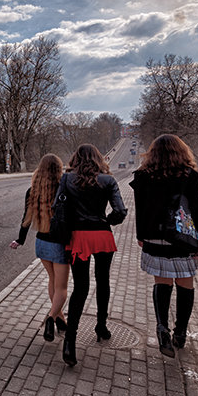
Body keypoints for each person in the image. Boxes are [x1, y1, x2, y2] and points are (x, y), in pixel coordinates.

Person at [129, 134, 198, 358]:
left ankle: (162, 329)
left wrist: (141, 236)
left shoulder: (143, 176)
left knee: (162, 283)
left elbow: (140, 209)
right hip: (182, 239)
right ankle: (181, 332)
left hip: (154, 238)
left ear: (152, 153)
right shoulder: (189, 175)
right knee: (186, 285)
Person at [60, 144, 127, 366]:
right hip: (101, 235)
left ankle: (70, 341)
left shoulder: (67, 179)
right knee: (103, 281)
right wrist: (107, 221)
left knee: (80, 287)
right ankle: (101, 325)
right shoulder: (108, 180)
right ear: (98, 158)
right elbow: (120, 211)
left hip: (79, 236)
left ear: (76, 158)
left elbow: (56, 206)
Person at [10, 154, 70, 342]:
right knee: (61, 288)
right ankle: (52, 319)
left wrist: (20, 240)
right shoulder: (64, 189)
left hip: (41, 242)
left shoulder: (33, 191)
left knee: (52, 281)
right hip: (59, 244)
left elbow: (26, 219)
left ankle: (60, 319)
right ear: (59, 169)